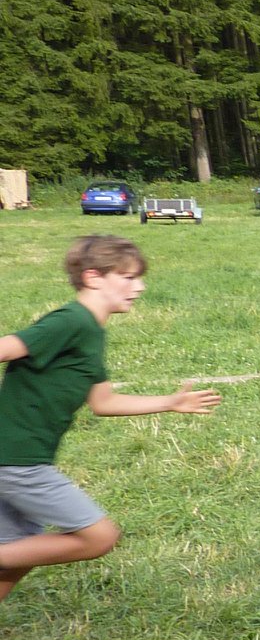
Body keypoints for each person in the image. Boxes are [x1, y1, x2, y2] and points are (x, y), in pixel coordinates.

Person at [0, 235, 222, 604]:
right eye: (128, 277)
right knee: (99, 537)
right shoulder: (71, 321)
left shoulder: (91, 332)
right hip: (17, 460)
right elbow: (6, 347)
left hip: (18, 457)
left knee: (19, 554)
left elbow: (104, 402)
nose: (140, 287)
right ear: (93, 277)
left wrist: (170, 402)